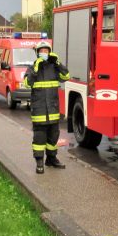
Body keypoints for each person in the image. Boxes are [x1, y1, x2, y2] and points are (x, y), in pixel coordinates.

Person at [23, 41, 70, 174]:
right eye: (41, 51)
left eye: (46, 51)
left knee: (53, 136)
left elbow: (66, 76)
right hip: (39, 110)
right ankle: (39, 162)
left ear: (49, 52)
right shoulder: (33, 67)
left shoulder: (54, 67)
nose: (44, 53)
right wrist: (36, 69)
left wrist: (58, 63)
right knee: (39, 137)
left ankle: (51, 159)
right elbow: (27, 83)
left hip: (53, 110)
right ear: (37, 53)